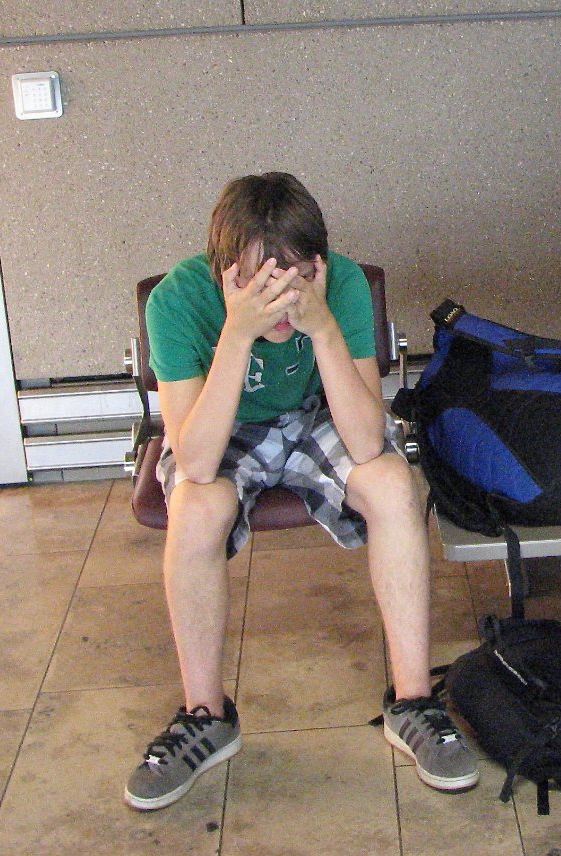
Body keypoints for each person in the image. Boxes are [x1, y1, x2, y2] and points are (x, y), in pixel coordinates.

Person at [124, 172, 478, 810]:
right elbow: (195, 461)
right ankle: (205, 716)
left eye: (298, 278)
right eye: (259, 283)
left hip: (320, 415)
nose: (281, 300)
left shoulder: (341, 284)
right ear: (225, 274)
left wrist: (324, 330)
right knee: (197, 507)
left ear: (318, 264)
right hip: (222, 424)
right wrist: (237, 333)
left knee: (393, 484)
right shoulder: (176, 301)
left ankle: (412, 701)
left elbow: (366, 441)